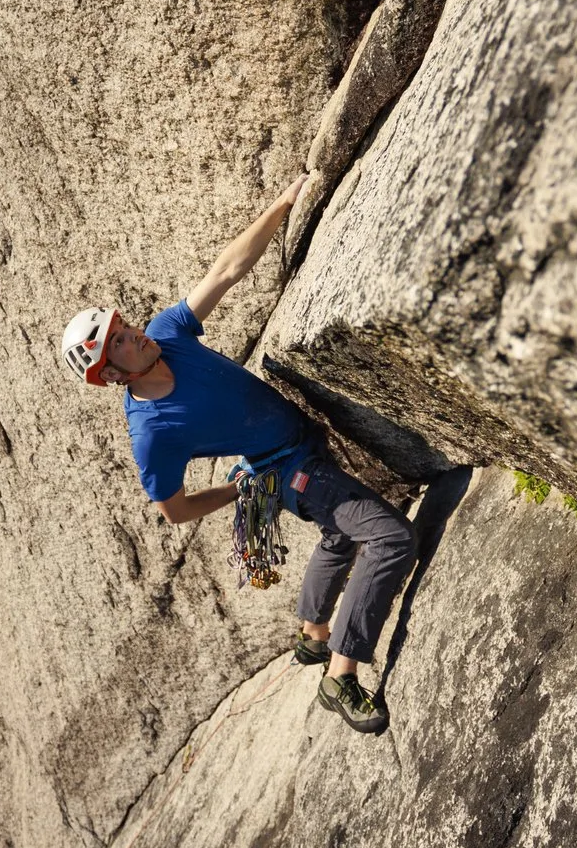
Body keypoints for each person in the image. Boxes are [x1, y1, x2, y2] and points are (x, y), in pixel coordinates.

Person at [56, 175, 417, 734]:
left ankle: (312, 635)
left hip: (302, 443)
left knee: (339, 534)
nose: (134, 335)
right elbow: (171, 510)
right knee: (390, 537)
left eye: (124, 327)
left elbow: (226, 270)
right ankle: (340, 675)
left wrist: (281, 205)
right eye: (120, 342)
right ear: (109, 375)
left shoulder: (167, 334)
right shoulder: (151, 433)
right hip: (289, 471)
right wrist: (239, 491)